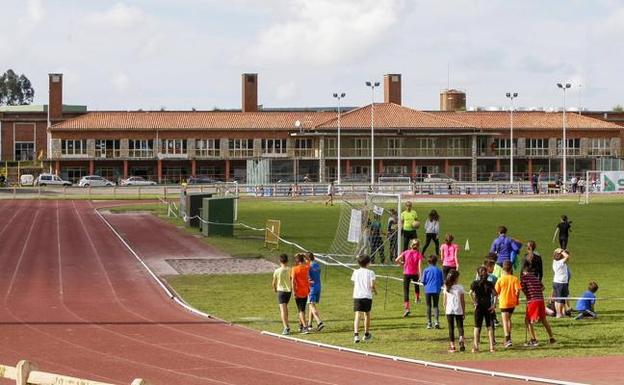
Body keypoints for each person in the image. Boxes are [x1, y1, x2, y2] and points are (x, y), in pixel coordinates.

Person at [521, 267, 556, 347]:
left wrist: (527, 294)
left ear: (524, 272)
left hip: (533, 301)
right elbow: (543, 287)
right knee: (544, 320)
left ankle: (533, 340)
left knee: (528, 320)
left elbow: (522, 288)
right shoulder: (535, 278)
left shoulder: (524, 278)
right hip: (540, 300)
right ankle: (551, 338)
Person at [470, 266, 497, 353]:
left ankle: (476, 346)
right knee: (489, 326)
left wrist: (474, 302)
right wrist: (494, 305)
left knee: (477, 327)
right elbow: (495, 294)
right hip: (488, 306)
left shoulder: (475, 283)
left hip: (479, 307)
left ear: (478, 274)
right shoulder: (489, 284)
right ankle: (491, 347)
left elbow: (470, 293)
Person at [495, 261, 521, 348]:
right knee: (509, 319)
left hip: (504, 302)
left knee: (505, 321)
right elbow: (518, 291)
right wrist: (516, 299)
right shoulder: (514, 279)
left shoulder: (500, 279)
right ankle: (509, 336)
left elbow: (496, 292)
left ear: (503, 269)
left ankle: (507, 339)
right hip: (512, 302)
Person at [352, 255, 377, 343]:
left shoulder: (355, 272)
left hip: (357, 295)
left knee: (357, 315)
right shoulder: (371, 272)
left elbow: (354, 283)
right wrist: (375, 290)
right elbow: (372, 285)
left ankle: (356, 335)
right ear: (368, 263)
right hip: (367, 296)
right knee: (367, 314)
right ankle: (366, 334)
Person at [395, 239, 423, 317]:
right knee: (416, 285)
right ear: (418, 246)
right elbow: (420, 266)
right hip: (414, 273)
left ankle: (407, 308)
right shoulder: (419, 254)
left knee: (406, 291)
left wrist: (402, 263)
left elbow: (396, 260)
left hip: (406, 274)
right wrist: (421, 276)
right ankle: (417, 298)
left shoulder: (406, 252)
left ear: (411, 245)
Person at [443, 269, 465, 353]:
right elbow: (462, 301)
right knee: (460, 326)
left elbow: (444, 301)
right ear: (456, 278)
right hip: (458, 308)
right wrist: (463, 311)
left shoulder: (446, 287)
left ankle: (452, 345)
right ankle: (461, 338)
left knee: (451, 328)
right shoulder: (460, 287)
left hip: (449, 309)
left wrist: (445, 310)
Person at [421, 255, 444, 329]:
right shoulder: (439, 270)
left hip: (428, 290)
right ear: (436, 262)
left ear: (428, 262)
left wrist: (426, 285)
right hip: (436, 290)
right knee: (436, 305)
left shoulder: (426, 270)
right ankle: (436, 321)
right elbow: (442, 282)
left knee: (428, 306)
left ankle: (429, 323)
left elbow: (423, 281)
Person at [291, 253, 311, 333]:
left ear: (297, 261)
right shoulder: (306, 267)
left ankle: (305, 327)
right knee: (302, 309)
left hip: (298, 291)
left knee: (300, 310)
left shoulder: (294, 269)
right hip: (305, 291)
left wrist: (293, 291)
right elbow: (309, 260)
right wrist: (304, 255)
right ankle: (301, 325)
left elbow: (292, 281)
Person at [272, 253, 292, 335]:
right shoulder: (290, 269)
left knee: (282, 310)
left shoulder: (277, 271)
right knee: (285, 308)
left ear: (280, 261)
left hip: (281, 291)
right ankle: (287, 325)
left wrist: (275, 289)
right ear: (287, 261)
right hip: (288, 291)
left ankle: (286, 327)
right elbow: (291, 279)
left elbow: (273, 282)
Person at [307, 252, 325, 331]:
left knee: (311, 305)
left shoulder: (308, 267)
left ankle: (319, 322)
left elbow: (307, 277)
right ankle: (309, 324)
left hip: (312, 288)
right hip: (318, 286)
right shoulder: (317, 265)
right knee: (311, 304)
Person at [552, 248, 570, 318]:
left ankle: (558, 313)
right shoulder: (561, 262)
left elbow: (554, 254)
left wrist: (557, 250)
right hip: (561, 283)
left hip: (556, 282)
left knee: (557, 299)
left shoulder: (554, 261)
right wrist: (562, 251)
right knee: (561, 299)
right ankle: (559, 314)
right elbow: (567, 257)